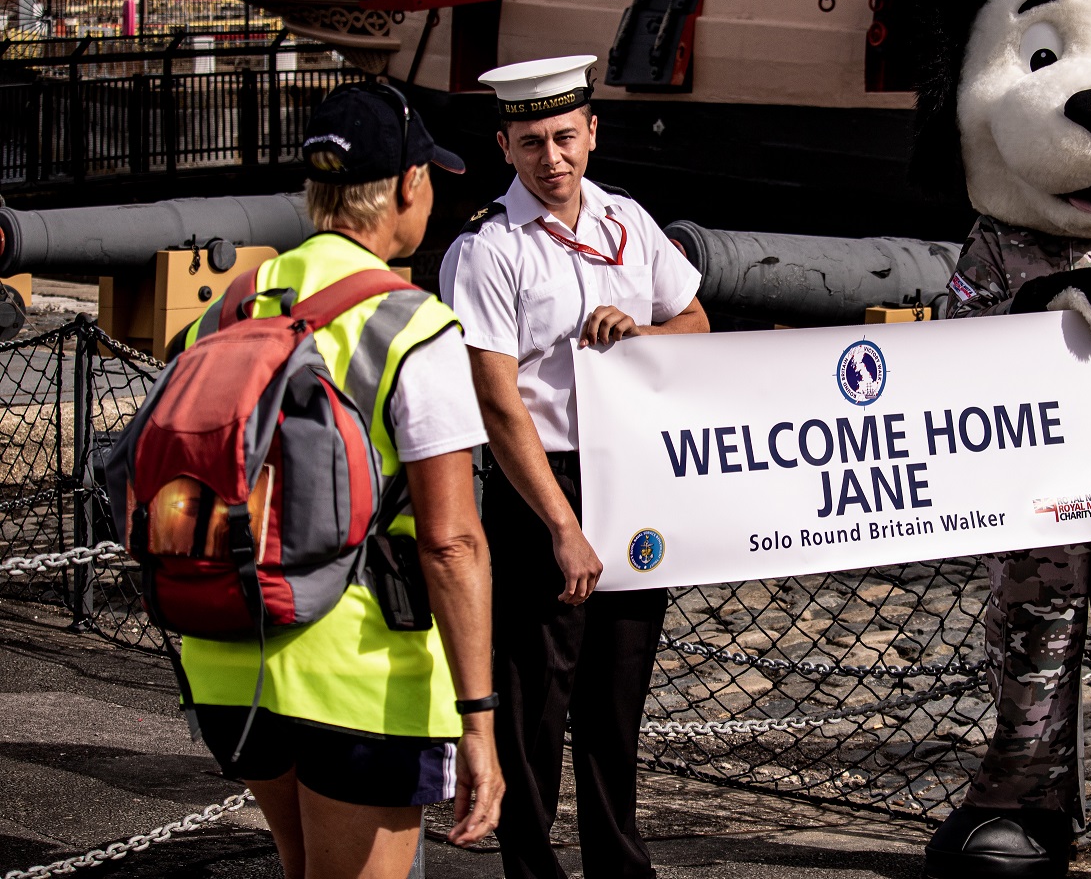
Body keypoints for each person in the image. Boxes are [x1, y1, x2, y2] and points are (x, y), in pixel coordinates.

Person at [175, 82, 504, 879]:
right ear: (406, 187)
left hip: (230, 654)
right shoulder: (413, 326)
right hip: (361, 675)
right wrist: (479, 718)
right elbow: (452, 542)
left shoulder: (231, 307)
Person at [439, 55, 708, 879]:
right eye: (530, 143)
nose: (550, 159)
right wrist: (562, 525)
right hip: (541, 483)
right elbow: (496, 402)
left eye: (564, 137)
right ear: (504, 147)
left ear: (592, 131)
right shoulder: (489, 249)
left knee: (617, 692)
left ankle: (618, 864)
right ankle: (532, 866)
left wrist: (641, 336)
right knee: (534, 699)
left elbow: (695, 321)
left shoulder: (630, 221)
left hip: (631, 477)